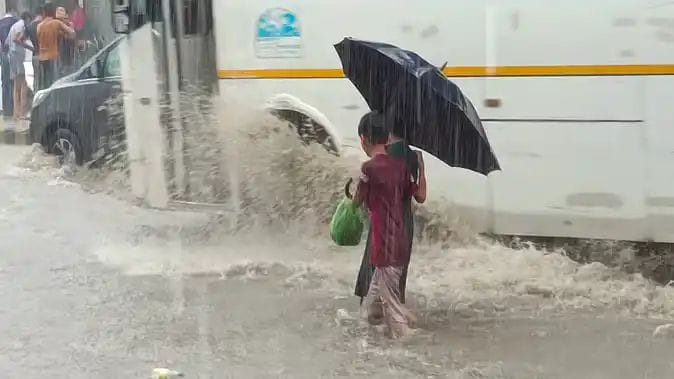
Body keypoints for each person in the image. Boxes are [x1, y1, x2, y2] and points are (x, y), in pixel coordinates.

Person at [351, 112, 422, 338]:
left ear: (364, 139)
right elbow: (419, 196)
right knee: (374, 299)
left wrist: (356, 185)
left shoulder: (369, 168)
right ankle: (365, 333)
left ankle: (412, 339)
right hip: (401, 239)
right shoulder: (402, 166)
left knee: (392, 308)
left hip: (383, 244)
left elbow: (356, 202)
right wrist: (422, 168)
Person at [37, 2, 75, 90]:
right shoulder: (56, 23)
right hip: (53, 56)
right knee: (54, 83)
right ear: (53, 12)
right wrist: (70, 26)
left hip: (42, 58)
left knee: (44, 83)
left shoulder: (39, 25)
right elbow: (72, 33)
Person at [7, 11, 32, 120]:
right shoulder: (22, 25)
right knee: (24, 84)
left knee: (16, 85)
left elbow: (8, 42)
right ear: (27, 18)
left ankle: (16, 112)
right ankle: (22, 112)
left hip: (12, 56)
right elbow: (15, 39)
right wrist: (29, 47)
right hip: (19, 56)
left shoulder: (14, 25)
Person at [0, 9, 18, 116]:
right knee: (16, 81)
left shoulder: (0, 23)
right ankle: (15, 107)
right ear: (13, 12)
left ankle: (7, 109)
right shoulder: (16, 21)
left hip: (4, 54)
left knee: (5, 81)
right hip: (14, 53)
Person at [26, 5, 44, 91]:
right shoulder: (44, 24)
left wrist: (31, 48)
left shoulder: (30, 26)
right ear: (43, 13)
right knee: (46, 77)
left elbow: (18, 39)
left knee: (36, 77)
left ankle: (36, 95)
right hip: (45, 54)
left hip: (35, 54)